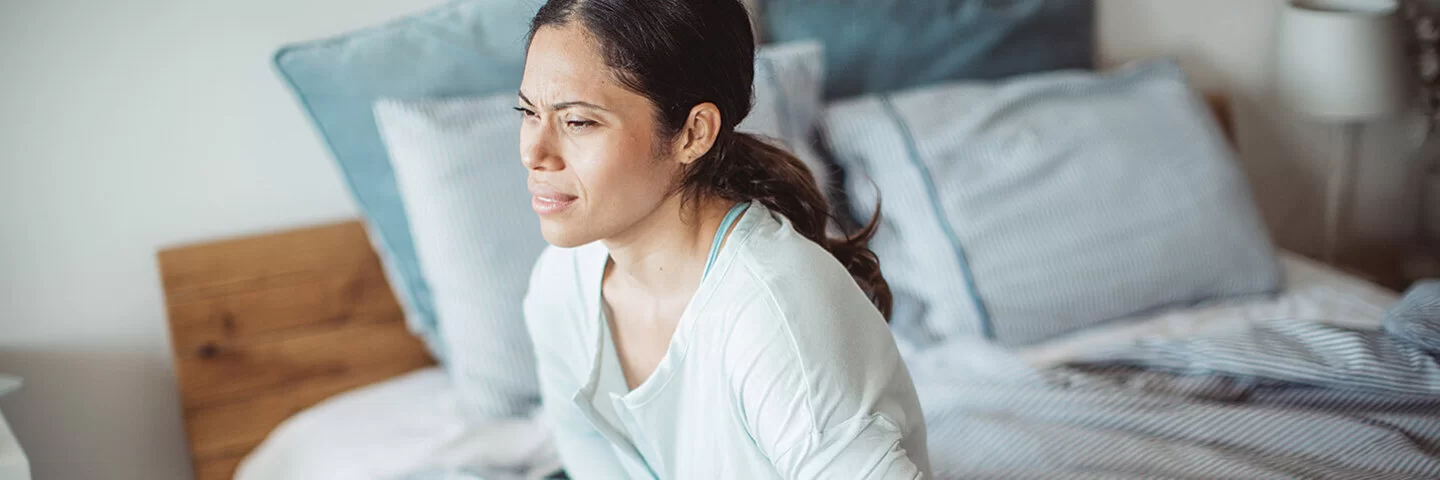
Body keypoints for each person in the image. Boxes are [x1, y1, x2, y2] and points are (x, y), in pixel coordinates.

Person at [517, 0, 929, 477]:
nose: (534, 152)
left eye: (578, 122)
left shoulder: (773, 313)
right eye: (527, 112)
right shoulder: (561, 283)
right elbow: (589, 453)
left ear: (693, 133)